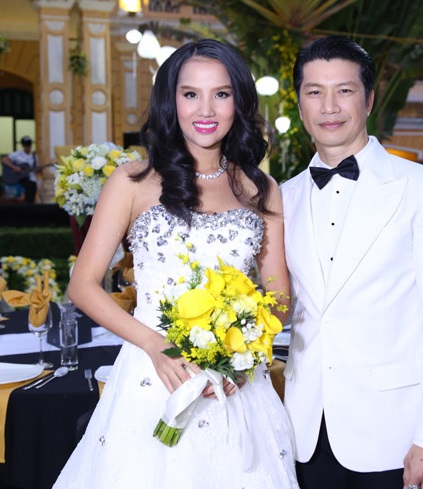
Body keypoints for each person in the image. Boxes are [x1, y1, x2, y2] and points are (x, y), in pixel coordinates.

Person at [53, 39, 298, 488]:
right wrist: (156, 345)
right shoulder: (132, 180)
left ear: (239, 101)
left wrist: (242, 356)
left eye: (221, 94)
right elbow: (82, 285)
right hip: (152, 377)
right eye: (190, 94)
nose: (206, 109)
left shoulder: (261, 188)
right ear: (171, 100)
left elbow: (279, 297)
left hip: (236, 386)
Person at [281, 35, 423, 489]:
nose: (329, 106)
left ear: (368, 99)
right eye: (315, 92)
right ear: (300, 104)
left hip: (398, 433)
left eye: (344, 90)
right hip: (306, 430)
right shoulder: (282, 198)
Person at [2, 136, 39, 203]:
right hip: (19, 181)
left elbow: (36, 169)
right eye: (25, 145)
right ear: (23, 145)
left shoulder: (34, 157)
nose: (27, 147)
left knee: (30, 198)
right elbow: (4, 160)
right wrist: (14, 167)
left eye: (28, 144)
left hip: (31, 181)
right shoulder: (17, 154)